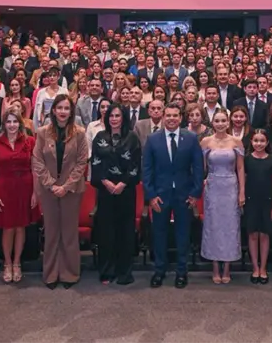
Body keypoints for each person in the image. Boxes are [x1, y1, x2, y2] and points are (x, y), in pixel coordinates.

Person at [142, 103, 204, 289]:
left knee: (182, 234)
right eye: (168, 115)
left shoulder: (191, 138)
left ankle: (181, 271)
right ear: (163, 117)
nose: (171, 118)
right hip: (160, 196)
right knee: (159, 234)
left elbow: (198, 168)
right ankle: (159, 270)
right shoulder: (153, 139)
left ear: (180, 118)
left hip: (184, 196)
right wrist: (151, 196)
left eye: (175, 115)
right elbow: (147, 170)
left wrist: (195, 193)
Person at [32, 95, 89, 289]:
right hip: (49, 190)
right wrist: (51, 184)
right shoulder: (42, 132)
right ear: (54, 110)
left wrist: (65, 186)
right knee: (51, 232)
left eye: (67, 108)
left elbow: (82, 162)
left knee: (69, 233)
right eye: (60, 108)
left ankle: (69, 274)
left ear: (71, 112)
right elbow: (37, 161)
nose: (63, 111)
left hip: (72, 190)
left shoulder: (80, 133)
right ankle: (51, 274)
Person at [91, 104, 141, 285]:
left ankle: (124, 272)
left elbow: (136, 164)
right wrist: (106, 182)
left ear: (123, 118)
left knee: (125, 233)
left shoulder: (132, 138)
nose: (114, 119)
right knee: (106, 233)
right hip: (105, 192)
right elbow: (95, 163)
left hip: (126, 191)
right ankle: (107, 272)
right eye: (111, 116)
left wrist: (123, 183)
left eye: (117, 116)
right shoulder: (99, 137)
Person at [0, 111, 37, 284]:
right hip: (5, 187)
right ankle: (7, 263)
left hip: (25, 186)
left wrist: (35, 192)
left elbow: (35, 168)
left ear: (20, 123)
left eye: (15, 122)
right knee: (8, 227)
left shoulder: (30, 141)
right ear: (4, 124)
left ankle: (17, 263)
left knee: (21, 227)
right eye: (8, 122)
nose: (12, 125)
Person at [200, 109, 245, 284]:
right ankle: (215, 267)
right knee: (213, 226)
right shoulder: (206, 142)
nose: (220, 124)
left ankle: (227, 267)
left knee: (230, 227)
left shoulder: (236, 141)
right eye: (217, 121)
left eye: (223, 121)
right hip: (213, 187)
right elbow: (201, 167)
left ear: (228, 122)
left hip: (230, 186)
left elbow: (240, 168)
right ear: (212, 123)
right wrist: (203, 180)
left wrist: (242, 192)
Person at [243, 128, 272, 284]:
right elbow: (243, 180)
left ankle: (263, 268)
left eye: (262, 141)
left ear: (267, 142)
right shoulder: (246, 160)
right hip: (250, 201)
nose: (259, 144)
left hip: (267, 202)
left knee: (264, 235)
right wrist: (241, 199)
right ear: (251, 142)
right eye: (256, 140)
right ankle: (255, 268)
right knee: (252, 235)